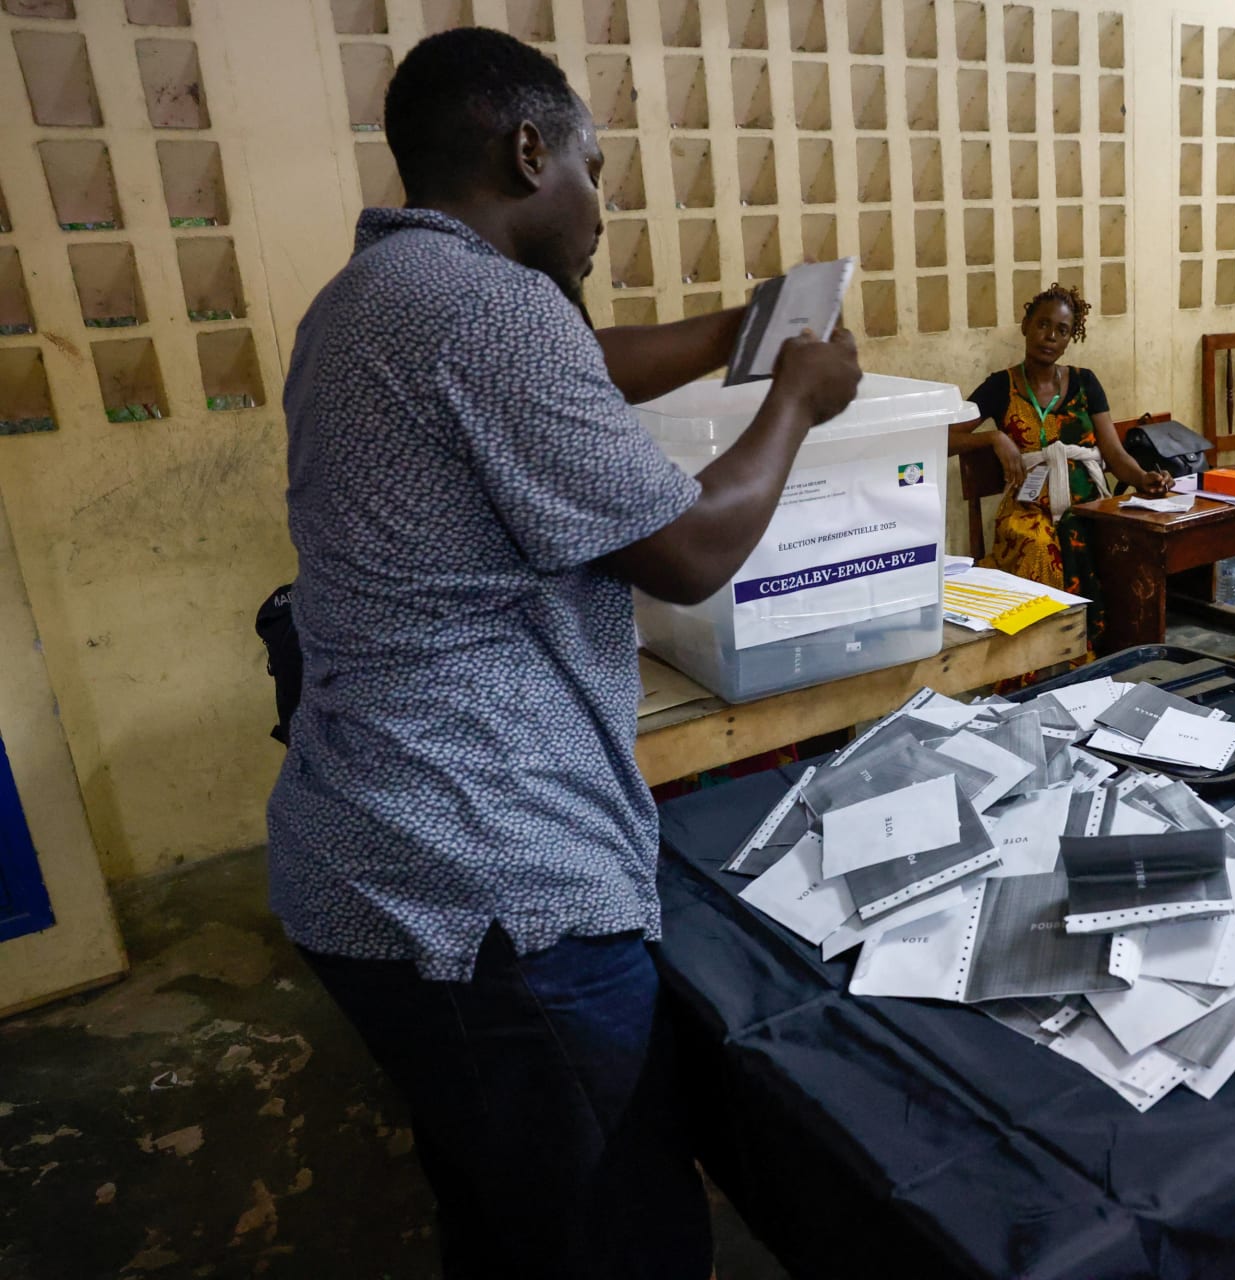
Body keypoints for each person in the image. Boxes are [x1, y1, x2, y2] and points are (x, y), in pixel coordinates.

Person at [267, 29, 860, 1280]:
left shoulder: (369, 298)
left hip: (363, 851)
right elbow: (694, 549)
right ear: (529, 150)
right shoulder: (495, 309)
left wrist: (734, 333)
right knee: (617, 1226)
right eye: (595, 169)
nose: (602, 206)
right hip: (491, 877)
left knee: (505, 1200)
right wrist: (794, 401)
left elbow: (571, 374)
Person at [950, 283, 1171, 657]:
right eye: (1042, 325)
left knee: (1128, 543)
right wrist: (992, 439)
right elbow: (947, 438)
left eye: (1061, 330)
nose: (1049, 337)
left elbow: (1114, 454)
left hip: (1088, 506)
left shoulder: (1086, 383)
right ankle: (1036, 663)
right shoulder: (1000, 386)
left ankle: (1113, 651)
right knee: (1040, 546)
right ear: (1025, 326)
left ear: (1071, 338)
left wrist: (1143, 479)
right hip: (1028, 510)